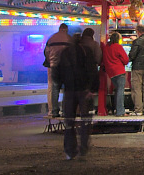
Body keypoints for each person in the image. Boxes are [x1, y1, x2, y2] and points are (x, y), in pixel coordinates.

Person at [53, 32, 99, 160]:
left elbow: (56, 73)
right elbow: (93, 70)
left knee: (69, 121)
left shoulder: (64, 53)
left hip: (69, 91)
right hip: (84, 90)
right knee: (85, 121)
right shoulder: (87, 51)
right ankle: (83, 149)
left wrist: (63, 84)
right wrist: (92, 88)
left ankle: (69, 150)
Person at [44, 23, 71, 117]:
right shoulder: (69, 38)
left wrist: (51, 61)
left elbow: (46, 52)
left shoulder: (51, 38)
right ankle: (65, 111)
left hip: (54, 66)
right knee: (66, 89)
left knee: (55, 88)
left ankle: (55, 111)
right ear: (66, 29)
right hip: (66, 67)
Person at [101, 32, 130, 116]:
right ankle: (120, 111)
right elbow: (125, 60)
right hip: (119, 71)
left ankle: (115, 109)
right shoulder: (118, 46)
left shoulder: (106, 47)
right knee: (120, 91)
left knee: (117, 91)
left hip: (111, 73)